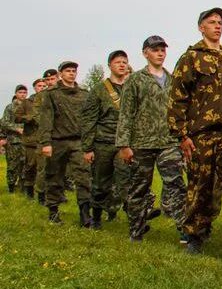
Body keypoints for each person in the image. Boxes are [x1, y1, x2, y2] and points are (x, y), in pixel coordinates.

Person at [168, 8, 222, 254]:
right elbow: (177, 98)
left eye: (220, 22)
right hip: (200, 135)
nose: (217, 26)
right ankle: (195, 236)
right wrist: (181, 135)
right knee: (200, 187)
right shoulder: (191, 57)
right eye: (211, 22)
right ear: (201, 27)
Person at [116, 36, 187, 242]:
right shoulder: (134, 80)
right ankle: (136, 231)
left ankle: (184, 230)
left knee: (176, 185)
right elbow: (126, 113)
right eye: (155, 49)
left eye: (163, 49)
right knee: (139, 188)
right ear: (145, 53)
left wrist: (182, 137)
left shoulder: (173, 80)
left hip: (168, 142)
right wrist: (123, 144)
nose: (160, 53)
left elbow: (178, 110)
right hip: (141, 143)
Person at [36, 61, 92, 226]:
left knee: (83, 177)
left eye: (74, 71)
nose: (71, 73)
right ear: (60, 73)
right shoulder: (51, 93)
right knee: (54, 176)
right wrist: (46, 143)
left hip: (78, 142)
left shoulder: (83, 93)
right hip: (57, 141)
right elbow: (46, 119)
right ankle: (53, 211)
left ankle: (84, 214)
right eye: (68, 71)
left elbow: (88, 118)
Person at [82, 50, 132, 224]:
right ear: (110, 65)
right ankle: (96, 217)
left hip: (124, 145)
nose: (121, 65)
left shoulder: (132, 87)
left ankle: (135, 221)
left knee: (126, 180)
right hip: (103, 144)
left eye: (124, 62)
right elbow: (89, 120)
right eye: (118, 62)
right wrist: (87, 148)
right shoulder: (99, 90)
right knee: (100, 184)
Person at [14, 79, 46, 200]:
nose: (42, 88)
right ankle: (29, 192)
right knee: (30, 166)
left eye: (44, 86)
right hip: (31, 140)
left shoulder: (49, 100)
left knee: (44, 168)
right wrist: (29, 118)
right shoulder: (27, 103)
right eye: (39, 86)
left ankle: (43, 195)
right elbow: (16, 117)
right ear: (34, 88)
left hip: (46, 139)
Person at [32, 68, 59, 203]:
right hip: (45, 136)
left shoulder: (62, 93)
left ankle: (58, 194)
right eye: (47, 79)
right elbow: (37, 116)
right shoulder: (40, 96)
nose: (50, 81)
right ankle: (41, 194)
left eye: (52, 79)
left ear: (58, 78)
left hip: (62, 137)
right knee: (43, 167)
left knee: (60, 168)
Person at [1, 85, 28, 193]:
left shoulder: (29, 106)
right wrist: (17, 129)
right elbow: (4, 123)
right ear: (16, 93)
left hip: (26, 141)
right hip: (13, 141)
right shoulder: (10, 107)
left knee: (25, 165)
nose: (23, 94)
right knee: (12, 165)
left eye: (25, 92)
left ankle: (23, 187)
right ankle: (11, 187)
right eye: (20, 92)